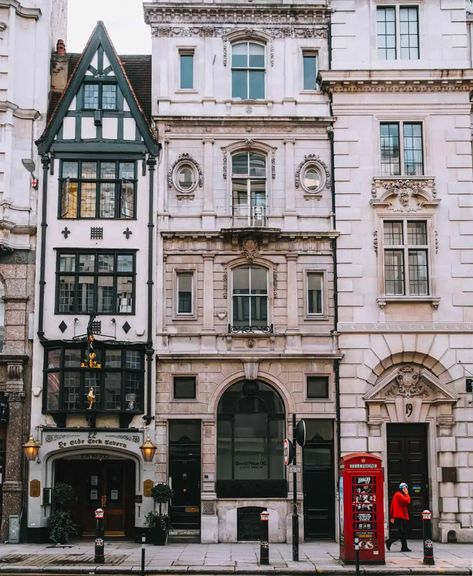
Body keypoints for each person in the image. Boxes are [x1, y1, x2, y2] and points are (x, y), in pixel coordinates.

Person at [386, 482, 411, 552]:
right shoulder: (399, 495)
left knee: (403, 532)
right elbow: (407, 501)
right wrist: (407, 494)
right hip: (399, 516)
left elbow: (392, 507)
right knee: (401, 532)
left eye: (406, 488)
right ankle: (389, 541)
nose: (406, 489)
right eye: (404, 488)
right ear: (401, 489)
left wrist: (391, 516)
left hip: (401, 516)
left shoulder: (397, 494)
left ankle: (404, 547)